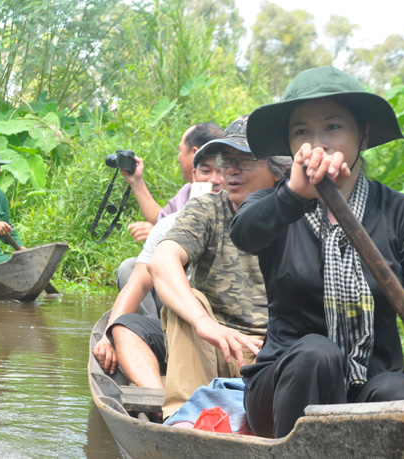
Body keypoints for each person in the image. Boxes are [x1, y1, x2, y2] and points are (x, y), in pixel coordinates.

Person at [229, 66, 404, 439]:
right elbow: (244, 234)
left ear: (364, 134)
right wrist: (293, 196)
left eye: (333, 127)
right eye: (301, 132)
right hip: (281, 389)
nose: (317, 144)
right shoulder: (273, 204)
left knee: (398, 393)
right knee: (317, 354)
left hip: (368, 386)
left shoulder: (401, 213)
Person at [147, 115, 293, 420]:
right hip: (216, 349)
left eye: (245, 161)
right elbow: (162, 262)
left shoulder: (298, 215)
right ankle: (185, 421)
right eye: (227, 161)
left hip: (277, 358)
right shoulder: (208, 209)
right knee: (189, 302)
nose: (232, 171)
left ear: (279, 171)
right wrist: (205, 323)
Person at [92, 143, 226, 390]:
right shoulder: (171, 224)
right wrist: (107, 335)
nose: (215, 180)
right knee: (122, 326)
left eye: (223, 171)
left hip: (228, 331)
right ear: (194, 178)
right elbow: (139, 282)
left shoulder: (249, 220)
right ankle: (159, 403)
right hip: (184, 324)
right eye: (206, 171)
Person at [123, 123, 223, 242]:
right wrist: (136, 180)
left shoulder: (228, 195)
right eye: (206, 171)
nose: (178, 158)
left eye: (180, 151)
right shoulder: (188, 191)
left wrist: (161, 233)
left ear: (194, 152)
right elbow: (160, 219)